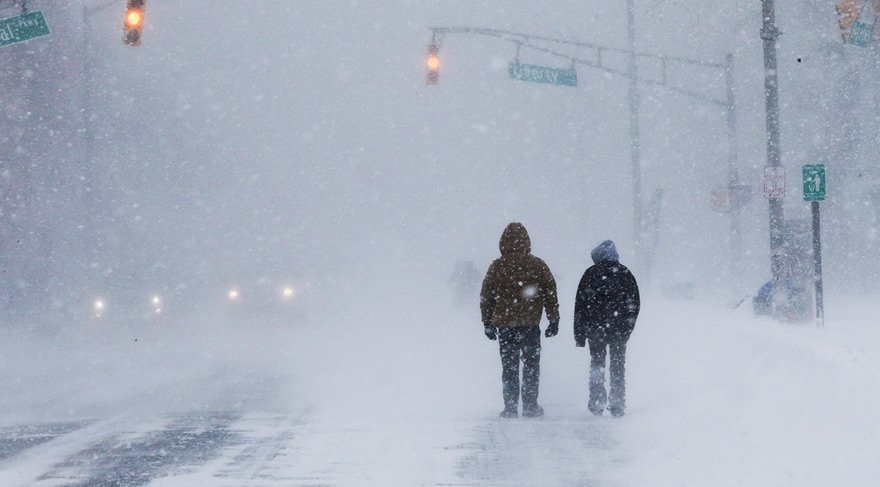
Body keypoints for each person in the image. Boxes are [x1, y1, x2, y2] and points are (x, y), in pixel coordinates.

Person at [480, 222, 560, 418]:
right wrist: (553, 319)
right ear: (526, 241)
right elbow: (550, 292)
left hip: (506, 327)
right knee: (531, 365)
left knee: (509, 367)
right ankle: (531, 405)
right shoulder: (537, 265)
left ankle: (510, 407)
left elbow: (486, 296)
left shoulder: (497, 267)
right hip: (530, 325)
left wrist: (487, 323)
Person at [574, 240, 640, 417]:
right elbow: (634, 304)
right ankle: (617, 404)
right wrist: (628, 328)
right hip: (619, 330)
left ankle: (597, 403)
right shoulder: (625, 274)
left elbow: (580, 306)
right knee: (618, 366)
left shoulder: (591, 274)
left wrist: (580, 335)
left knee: (597, 364)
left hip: (596, 330)